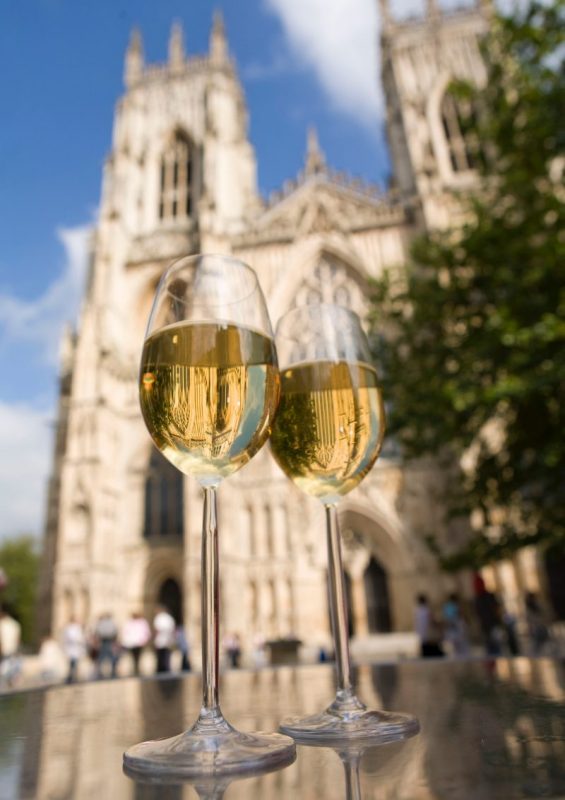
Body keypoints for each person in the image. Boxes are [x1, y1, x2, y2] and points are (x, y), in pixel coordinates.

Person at [473, 574, 503, 656]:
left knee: (495, 648)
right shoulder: (480, 598)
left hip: (490, 625)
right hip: (489, 625)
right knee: (493, 648)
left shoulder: (479, 598)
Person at [121, 612, 151, 676]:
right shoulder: (130, 622)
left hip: (139, 642)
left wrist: (144, 640)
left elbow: (146, 632)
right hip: (132, 642)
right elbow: (125, 632)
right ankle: (135, 668)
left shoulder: (142, 622)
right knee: (134, 656)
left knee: (137, 656)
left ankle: (137, 668)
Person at [0, 608, 22, 687]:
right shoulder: (15, 624)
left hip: (4, 650)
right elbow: (18, 639)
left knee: (4, 669)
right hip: (12, 649)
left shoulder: (2, 624)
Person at [95, 612, 119, 679]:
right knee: (112, 655)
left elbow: (98, 631)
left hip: (103, 640)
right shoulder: (112, 623)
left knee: (102, 655)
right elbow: (115, 631)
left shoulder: (101, 623)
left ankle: (100, 670)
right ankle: (113, 670)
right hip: (110, 640)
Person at [62, 616, 85, 684]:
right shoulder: (75, 628)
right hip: (73, 649)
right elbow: (79, 638)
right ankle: (72, 677)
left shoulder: (69, 628)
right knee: (73, 664)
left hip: (73, 649)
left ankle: (72, 677)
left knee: (72, 664)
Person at [153, 606, 176, 673]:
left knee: (160, 656)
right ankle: (166, 668)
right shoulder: (169, 618)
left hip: (160, 640)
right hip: (168, 639)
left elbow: (157, 629)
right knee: (167, 655)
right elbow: (173, 629)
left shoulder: (159, 618)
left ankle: (161, 669)